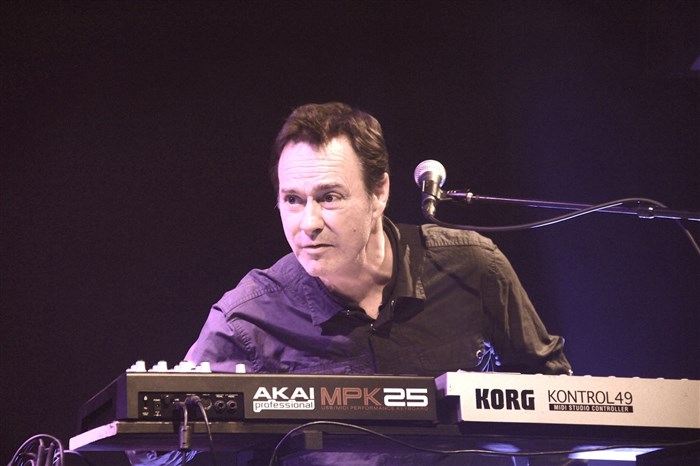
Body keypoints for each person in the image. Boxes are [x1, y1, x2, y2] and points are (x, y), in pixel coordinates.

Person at [133, 102, 573, 466]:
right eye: (293, 200)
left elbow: (560, 404)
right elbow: (152, 447)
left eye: (329, 197)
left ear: (379, 193)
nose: (308, 223)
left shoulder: (472, 266)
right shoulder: (248, 317)